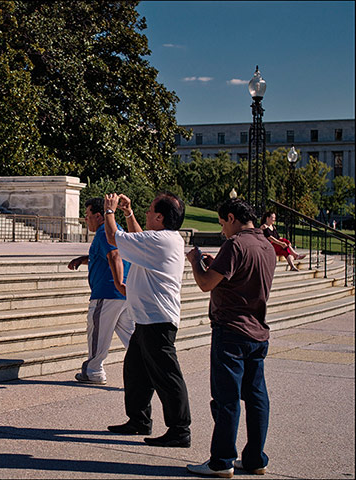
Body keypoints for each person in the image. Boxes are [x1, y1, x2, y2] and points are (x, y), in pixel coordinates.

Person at [185, 198, 276, 478]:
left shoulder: (235, 244)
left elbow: (205, 284)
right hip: (257, 331)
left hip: (231, 330)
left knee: (227, 399)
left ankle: (221, 460)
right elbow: (240, 276)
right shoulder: (266, 245)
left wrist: (195, 262)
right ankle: (255, 458)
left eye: (223, 222)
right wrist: (217, 265)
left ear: (232, 217)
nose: (222, 228)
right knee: (257, 396)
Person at [104, 192, 192, 448]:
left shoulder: (162, 240)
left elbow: (114, 238)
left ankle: (179, 430)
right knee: (135, 372)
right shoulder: (163, 238)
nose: (146, 212)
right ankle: (139, 420)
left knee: (167, 376)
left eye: (150, 209)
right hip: (146, 320)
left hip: (158, 322)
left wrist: (109, 211)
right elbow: (137, 238)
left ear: (160, 217)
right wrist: (128, 213)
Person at [67, 197, 131, 385]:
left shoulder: (104, 232)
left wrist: (118, 282)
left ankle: (93, 371)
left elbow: (114, 255)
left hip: (107, 291)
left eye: (87, 216)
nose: (86, 220)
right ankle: (149, 367)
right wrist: (84, 259)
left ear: (98, 215)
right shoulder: (117, 229)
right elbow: (106, 255)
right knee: (132, 336)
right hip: (122, 294)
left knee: (97, 332)